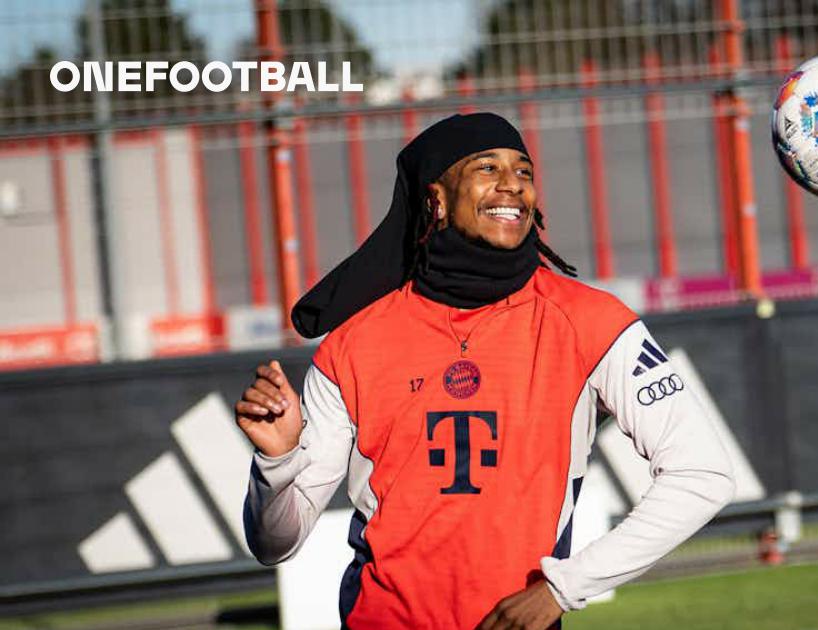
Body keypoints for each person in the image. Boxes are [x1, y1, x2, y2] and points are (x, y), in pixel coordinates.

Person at [237, 112, 734, 629]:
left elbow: (702, 474)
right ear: (436, 199)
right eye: (487, 167)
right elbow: (274, 544)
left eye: (524, 171)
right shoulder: (352, 343)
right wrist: (277, 462)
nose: (512, 185)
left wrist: (565, 586)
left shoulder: (592, 322)